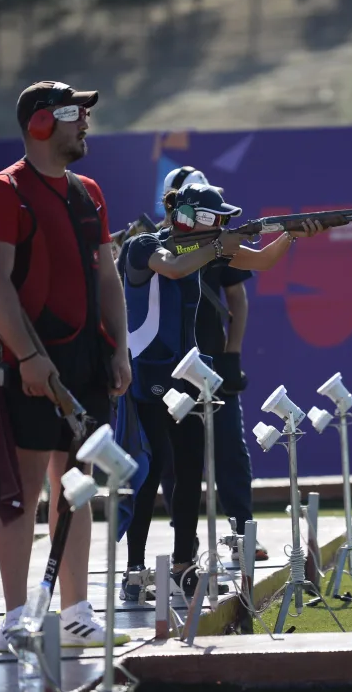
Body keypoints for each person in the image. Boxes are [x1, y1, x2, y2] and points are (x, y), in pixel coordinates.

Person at [0, 81, 132, 652]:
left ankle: (76, 611)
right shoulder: (2, 192)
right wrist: (30, 358)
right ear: (40, 124)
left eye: (85, 111)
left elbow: (106, 274)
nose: (84, 121)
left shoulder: (89, 192)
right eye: (72, 113)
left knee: (77, 489)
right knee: (20, 495)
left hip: (87, 357)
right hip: (29, 357)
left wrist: (118, 348)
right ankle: (16, 618)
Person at [116, 180, 323, 601]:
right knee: (150, 471)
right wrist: (218, 246)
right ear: (187, 218)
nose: (221, 225)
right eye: (213, 218)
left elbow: (263, 261)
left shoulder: (202, 251)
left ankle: (181, 565)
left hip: (188, 372)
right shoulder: (143, 246)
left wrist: (290, 235)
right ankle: (135, 569)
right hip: (145, 374)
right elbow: (171, 268)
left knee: (191, 470)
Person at [155, 167, 269, 565]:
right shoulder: (151, 244)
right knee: (173, 460)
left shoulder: (222, 239)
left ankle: (242, 531)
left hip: (214, 361)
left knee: (229, 451)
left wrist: (233, 354)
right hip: (167, 365)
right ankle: (185, 540)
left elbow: (236, 301)